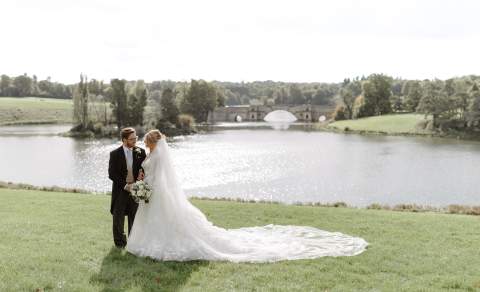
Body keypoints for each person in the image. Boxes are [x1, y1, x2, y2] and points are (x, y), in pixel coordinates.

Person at [126, 129, 368, 262]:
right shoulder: (155, 153)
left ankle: (158, 245)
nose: (145, 143)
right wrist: (142, 186)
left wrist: (142, 187)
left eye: (146, 140)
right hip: (156, 194)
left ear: (152, 141)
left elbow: (156, 178)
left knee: (167, 222)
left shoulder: (156, 155)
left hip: (158, 194)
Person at [108, 127, 146, 248]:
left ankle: (133, 242)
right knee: (118, 217)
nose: (135, 140)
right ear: (124, 140)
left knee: (134, 216)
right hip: (120, 189)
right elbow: (112, 174)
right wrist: (125, 186)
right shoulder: (114, 154)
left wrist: (141, 176)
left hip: (136, 189)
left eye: (136, 138)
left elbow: (144, 169)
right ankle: (120, 244)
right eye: (132, 139)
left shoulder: (141, 152)